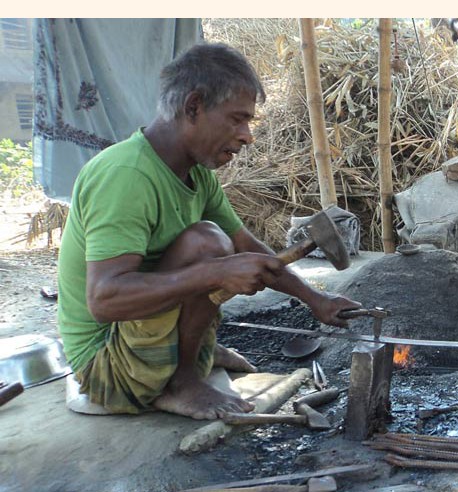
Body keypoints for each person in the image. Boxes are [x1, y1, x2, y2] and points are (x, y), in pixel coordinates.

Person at [57, 43, 360, 420]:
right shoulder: (126, 176)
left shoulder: (194, 172)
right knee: (207, 243)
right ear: (193, 107)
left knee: (219, 244)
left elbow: (245, 245)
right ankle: (180, 382)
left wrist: (315, 299)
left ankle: (190, 354)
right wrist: (218, 271)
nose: (247, 136)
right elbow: (104, 301)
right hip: (109, 366)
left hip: (139, 337)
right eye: (237, 119)